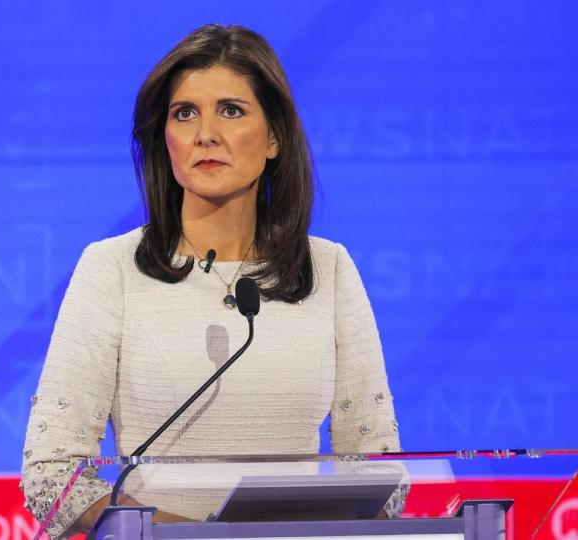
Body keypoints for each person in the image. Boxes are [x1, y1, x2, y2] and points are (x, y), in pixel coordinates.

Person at [20, 24, 404, 538]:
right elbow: (53, 476)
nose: (206, 134)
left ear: (274, 138)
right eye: (185, 114)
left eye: (231, 110)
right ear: (165, 140)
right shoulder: (111, 268)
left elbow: (376, 468)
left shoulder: (328, 269)